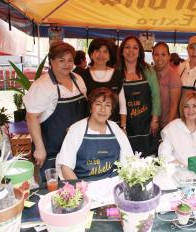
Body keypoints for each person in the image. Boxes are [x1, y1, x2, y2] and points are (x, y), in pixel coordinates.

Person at [24, 41, 88, 182]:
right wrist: (39, 148)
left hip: (77, 148)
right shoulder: (42, 85)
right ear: (51, 61)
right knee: (53, 193)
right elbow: (31, 117)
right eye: (61, 60)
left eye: (70, 60)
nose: (67, 64)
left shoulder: (78, 80)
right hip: (52, 150)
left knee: (78, 189)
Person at [56, 88, 133, 180]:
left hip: (113, 185)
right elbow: (66, 167)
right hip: (85, 186)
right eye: (98, 104)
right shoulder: (76, 129)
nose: (103, 109)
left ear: (111, 111)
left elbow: (129, 162)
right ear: (90, 108)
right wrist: (81, 190)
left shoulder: (116, 129)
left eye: (107, 105)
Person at [118, 36, 161, 157]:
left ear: (139, 51)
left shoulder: (148, 70)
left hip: (146, 122)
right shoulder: (116, 71)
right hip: (125, 123)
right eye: (127, 47)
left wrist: (155, 120)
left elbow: (156, 95)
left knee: (147, 157)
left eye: (135, 48)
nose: (131, 51)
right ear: (122, 51)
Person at [158, 91, 196, 166]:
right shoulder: (172, 128)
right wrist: (179, 165)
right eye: (186, 106)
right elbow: (164, 155)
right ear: (182, 109)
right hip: (180, 173)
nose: (191, 110)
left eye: (194, 106)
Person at [84, 38, 126, 125]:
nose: (101, 55)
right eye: (97, 51)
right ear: (91, 54)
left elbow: (122, 103)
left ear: (109, 56)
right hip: (89, 124)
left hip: (113, 124)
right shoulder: (82, 75)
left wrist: (123, 126)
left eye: (105, 52)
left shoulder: (117, 75)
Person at [152, 42, 182, 128]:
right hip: (151, 122)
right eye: (156, 54)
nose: (159, 58)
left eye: (163, 54)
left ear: (169, 57)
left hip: (167, 123)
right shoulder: (149, 72)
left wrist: (167, 128)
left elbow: (174, 105)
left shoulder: (173, 76)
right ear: (153, 56)